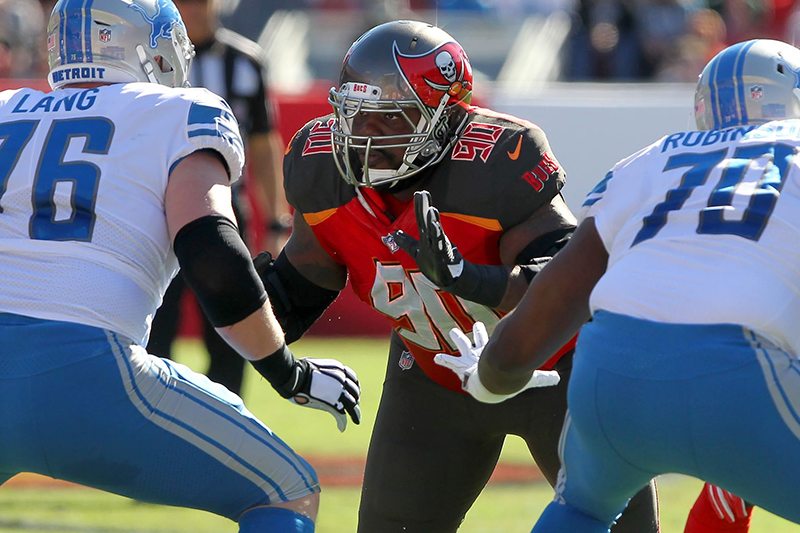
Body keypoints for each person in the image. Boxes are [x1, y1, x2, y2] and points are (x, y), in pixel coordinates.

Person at [254, 19, 659, 532]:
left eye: (388, 120)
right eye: (354, 116)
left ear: (446, 117)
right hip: (435, 378)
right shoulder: (321, 168)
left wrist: (469, 278)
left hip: (556, 371)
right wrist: (243, 301)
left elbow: (561, 285)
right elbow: (304, 280)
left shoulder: (498, 159)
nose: (362, 137)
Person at [0, 1, 360, 531]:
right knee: (287, 490)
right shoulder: (180, 111)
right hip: (89, 366)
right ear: (147, 45)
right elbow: (210, 254)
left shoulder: (8, 110)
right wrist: (289, 372)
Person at [435, 38, 800, 532]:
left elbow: (561, 289)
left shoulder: (649, 160)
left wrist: (491, 376)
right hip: (742, 369)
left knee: (580, 510)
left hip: (612, 368)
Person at [147, 0, 290, 396]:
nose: (192, 9)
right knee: (154, 333)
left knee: (232, 334)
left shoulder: (245, 61)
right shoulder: (150, 60)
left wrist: (277, 220)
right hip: (156, 215)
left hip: (225, 210)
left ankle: (227, 429)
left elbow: (263, 147)